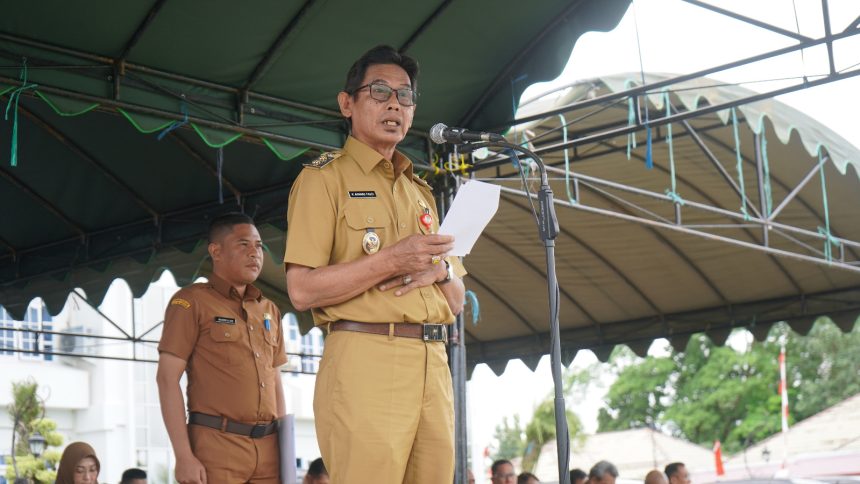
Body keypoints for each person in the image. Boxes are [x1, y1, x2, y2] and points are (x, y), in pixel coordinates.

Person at [284, 45, 466, 484]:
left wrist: (440, 272)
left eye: (405, 96)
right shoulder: (323, 180)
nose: (394, 105)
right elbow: (302, 290)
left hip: (434, 361)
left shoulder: (420, 192)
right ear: (347, 103)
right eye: (380, 91)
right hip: (366, 357)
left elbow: (457, 300)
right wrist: (390, 260)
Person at [157, 213, 287, 484]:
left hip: (270, 448)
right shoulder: (190, 302)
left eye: (259, 245)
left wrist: (286, 448)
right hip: (216, 446)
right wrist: (183, 455)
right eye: (243, 244)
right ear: (215, 251)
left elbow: (275, 381)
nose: (255, 253)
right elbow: (167, 379)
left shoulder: (270, 309)